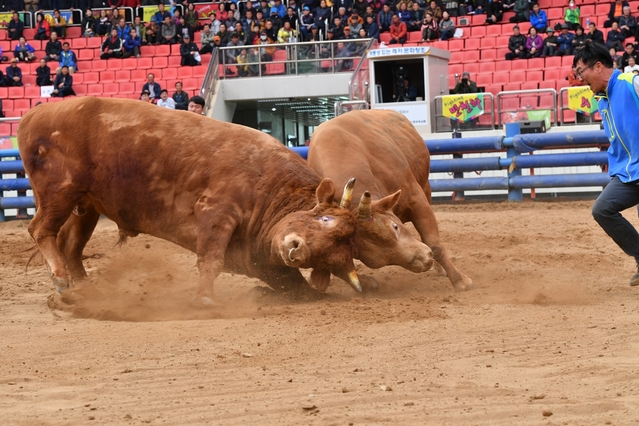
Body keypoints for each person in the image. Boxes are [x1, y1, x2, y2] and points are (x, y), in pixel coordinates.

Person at [575, 42, 639, 286]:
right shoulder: (602, 100)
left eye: (581, 72)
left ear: (598, 66)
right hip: (628, 173)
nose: (580, 79)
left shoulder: (630, 83)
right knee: (602, 209)